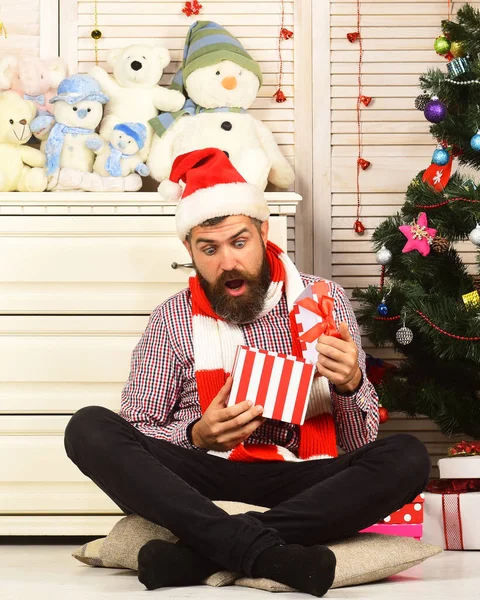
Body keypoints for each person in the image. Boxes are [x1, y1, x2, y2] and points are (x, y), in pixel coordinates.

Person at [64, 148, 432, 597]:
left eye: (239, 242)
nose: (227, 263)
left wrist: (351, 384)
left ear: (263, 231)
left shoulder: (323, 300)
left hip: (303, 480)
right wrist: (198, 435)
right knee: (88, 427)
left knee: (408, 457)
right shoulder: (171, 319)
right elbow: (138, 432)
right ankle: (270, 554)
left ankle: (201, 552)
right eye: (209, 248)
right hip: (204, 476)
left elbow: (358, 443)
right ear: (189, 250)